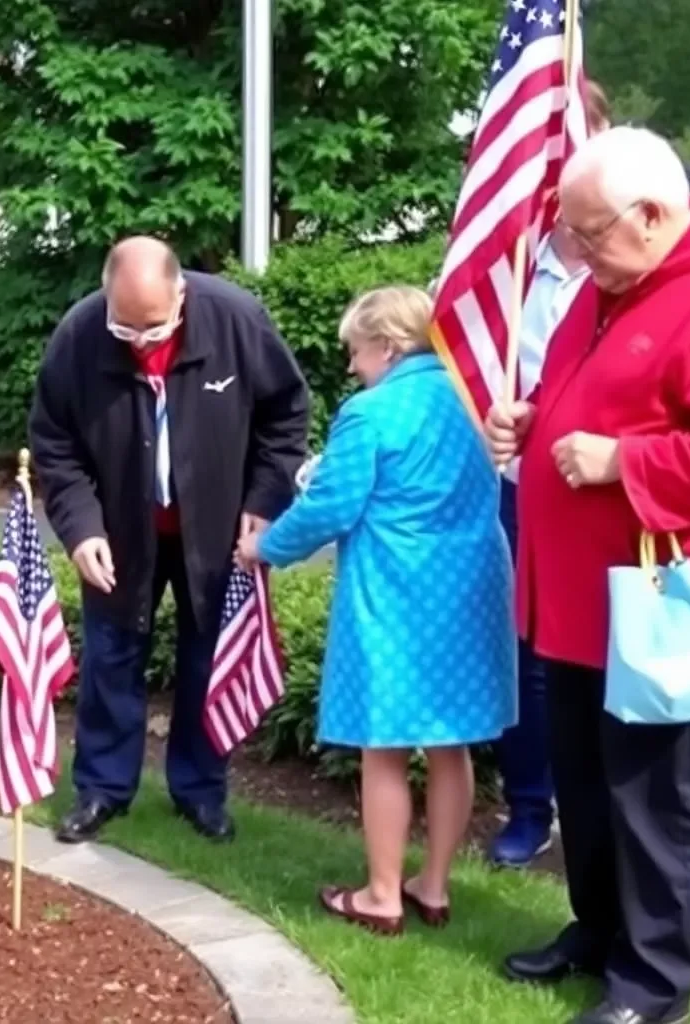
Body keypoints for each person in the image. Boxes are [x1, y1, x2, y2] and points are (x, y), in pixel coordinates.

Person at [488, 127, 690, 1024]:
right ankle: (599, 928)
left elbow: (649, 441)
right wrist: (529, 422)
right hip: (573, 598)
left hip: (652, 603)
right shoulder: (607, 284)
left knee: (653, 800)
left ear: (653, 216)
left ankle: (653, 981)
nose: (573, 253)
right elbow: (584, 394)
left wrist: (625, 461)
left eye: (588, 233)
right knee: (583, 782)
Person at [238, 286, 516, 936]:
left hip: (395, 590)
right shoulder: (478, 400)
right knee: (452, 742)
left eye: (355, 351)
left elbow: (331, 507)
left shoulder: (371, 411)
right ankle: (435, 886)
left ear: (387, 347)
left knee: (384, 745)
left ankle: (383, 895)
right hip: (473, 584)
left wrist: (263, 546)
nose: (352, 365)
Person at [29, 236, 309, 844]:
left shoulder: (236, 320)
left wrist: (265, 502)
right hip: (122, 530)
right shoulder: (80, 336)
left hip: (217, 529)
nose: (140, 341)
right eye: (124, 327)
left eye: (152, 327)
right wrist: (81, 528)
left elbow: (286, 416)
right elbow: (55, 443)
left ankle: (200, 791)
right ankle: (102, 789)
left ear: (181, 293)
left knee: (209, 658)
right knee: (111, 654)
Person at [489, 79, 612, 868]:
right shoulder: (504, 264)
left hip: (617, 498)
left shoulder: (635, 266)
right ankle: (531, 805)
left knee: (621, 653)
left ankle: (609, 817)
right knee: (530, 655)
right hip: (519, 489)